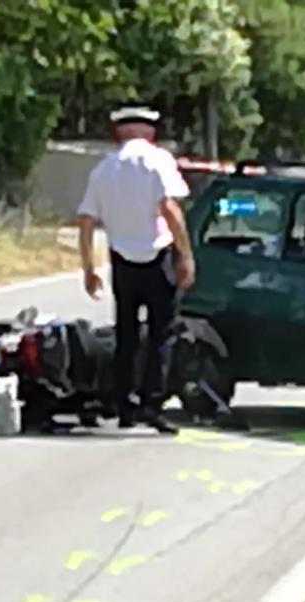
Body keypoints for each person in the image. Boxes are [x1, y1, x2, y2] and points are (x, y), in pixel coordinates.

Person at [76, 105, 195, 434]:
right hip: (157, 257)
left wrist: (89, 267)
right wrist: (185, 255)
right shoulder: (159, 161)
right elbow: (169, 208)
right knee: (161, 335)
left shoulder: (102, 170)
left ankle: (124, 404)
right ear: (150, 132)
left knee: (126, 334)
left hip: (122, 261)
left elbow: (85, 221)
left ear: (118, 132)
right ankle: (152, 405)